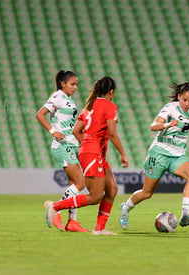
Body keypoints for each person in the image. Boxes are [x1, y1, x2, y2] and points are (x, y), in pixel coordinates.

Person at [44, 76, 129, 235]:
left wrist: (88, 145)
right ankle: (55, 206)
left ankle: (99, 228)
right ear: (111, 92)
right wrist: (123, 154)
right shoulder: (109, 106)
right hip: (93, 153)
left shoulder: (89, 106)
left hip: (93, 152)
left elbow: (77, 131)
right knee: (95, 196)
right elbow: (112, 133)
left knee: (112, 189)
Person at [119, 82, 189, 229]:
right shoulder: (170, 107)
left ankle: (185, 215)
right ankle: (126, 208)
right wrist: (168, 125)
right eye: (184, 100)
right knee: (147, 193)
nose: (187, 103)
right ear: (179, 97)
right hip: (159, 153)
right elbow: (153, 126)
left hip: (177, 156)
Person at [36, 70, 88, 232]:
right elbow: (40, 115)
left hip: (71, 145)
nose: (75, 87)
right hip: (62, 146)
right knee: (81, 183)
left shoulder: (68, 99)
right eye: (72, 84)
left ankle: (72, 222)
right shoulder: (57, 96)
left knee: (73, 184)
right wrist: (53, 131)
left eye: (76, 85)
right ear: (63, 84)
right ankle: (55, 208)